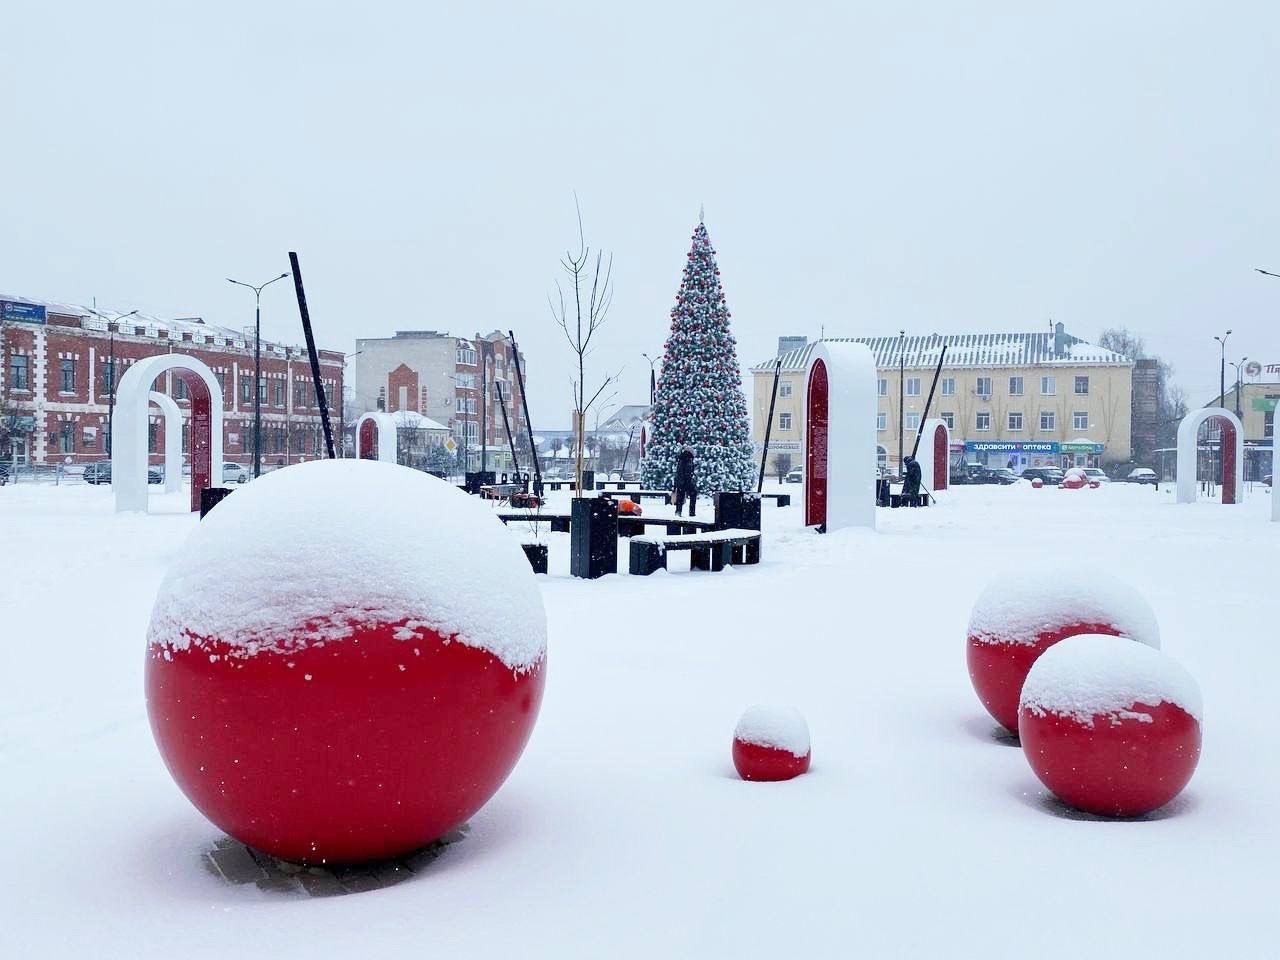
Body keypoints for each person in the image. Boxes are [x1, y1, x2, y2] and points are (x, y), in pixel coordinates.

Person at [673, 447, 698, 517]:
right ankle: (692, 512)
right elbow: (688, 472)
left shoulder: (681, 459)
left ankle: (678, 512)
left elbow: (679, 471)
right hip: (686, 481)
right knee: (693, 494)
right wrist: (690, 480)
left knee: (680, 497)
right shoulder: (688, 459)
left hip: (680, 481)